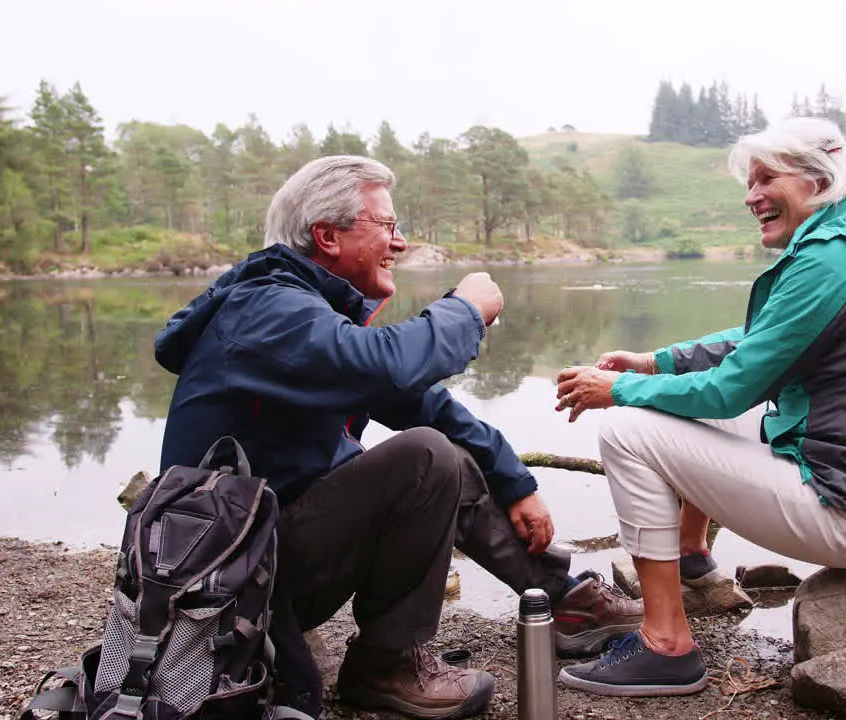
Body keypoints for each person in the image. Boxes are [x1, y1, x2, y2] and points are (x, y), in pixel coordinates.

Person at [154, 155, 641, 719]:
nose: (400, 242)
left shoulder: (302, 313)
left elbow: (420, 402)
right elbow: (389, 367)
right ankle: (387, 664)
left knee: (441, 448)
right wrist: (465, 311)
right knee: (425, 459)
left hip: (264, 557)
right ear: (327, 236)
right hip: (226, 580)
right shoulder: (269, 310)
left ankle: (564, 600)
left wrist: (514, 482)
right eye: (386, 225)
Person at [550, 117, 846, 697]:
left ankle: (665, 645)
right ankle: (691, 561)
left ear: (819, 179)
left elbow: (730, 389)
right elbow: (763, 339)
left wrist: (615, 390)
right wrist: (655, 362)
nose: (752, 196)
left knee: (627, 429)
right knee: (670, 408)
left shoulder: (833, 257)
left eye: (768, 178)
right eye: (750, 181)